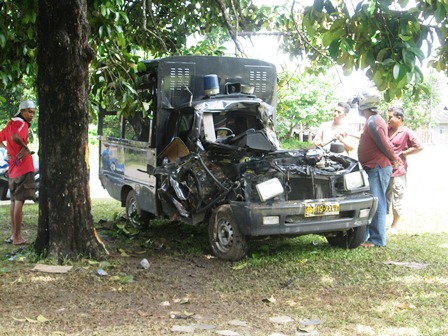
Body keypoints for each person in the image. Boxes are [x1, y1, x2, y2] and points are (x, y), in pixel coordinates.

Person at [356, 90, 402, 247]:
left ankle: (377, 239)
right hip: (372, 167)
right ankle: (367, 236)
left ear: (364, 105)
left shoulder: (374, 121)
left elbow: (384, 143)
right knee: (372, 202)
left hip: (377, 167)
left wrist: (394, 158)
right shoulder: (371, 120)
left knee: (378, 203)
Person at [0, 100, 36, 245]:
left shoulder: (10, 124)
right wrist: (25, 147)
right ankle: (17, 237)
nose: (31, 115)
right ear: (21, 111)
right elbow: (15, 137)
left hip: (13, 170)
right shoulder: (21, 124)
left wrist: (6, 150)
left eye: (33, 112)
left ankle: (13, 235)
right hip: (23, 167)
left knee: (14, 202)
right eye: (29, 111)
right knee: (19, 202)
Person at [386, 106, 423, 233]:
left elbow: (419, 146)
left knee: (397, 196)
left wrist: (403, 154)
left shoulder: (406, 132)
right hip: (385, 169)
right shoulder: (386, 130)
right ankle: (381, 222)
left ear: (399, 118)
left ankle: (394, 225)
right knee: (384, 196)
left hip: (398, 170)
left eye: (391, 117)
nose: (388, 119)